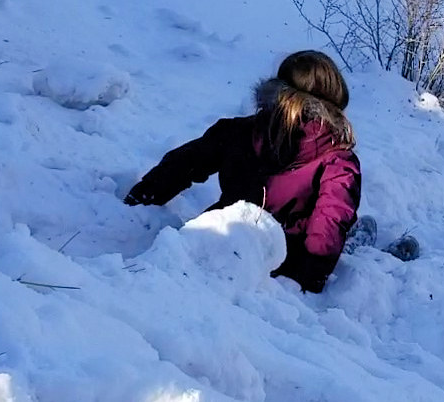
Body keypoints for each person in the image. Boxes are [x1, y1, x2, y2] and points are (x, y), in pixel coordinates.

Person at [124, 50, 360, 293]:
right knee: (341, 222)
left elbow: (186, 162)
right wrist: (308, 279)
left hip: (218, 238)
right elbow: (330, 220)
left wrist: (142, 196)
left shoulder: (240, 131)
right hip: (281, 258)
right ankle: (358, 241)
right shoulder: (337, 161)